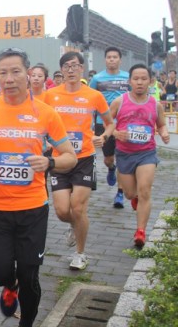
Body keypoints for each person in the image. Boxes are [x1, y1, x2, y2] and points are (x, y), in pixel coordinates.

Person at [0, 48, 77, 327]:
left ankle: (27, 322)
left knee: (30, 274)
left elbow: (70, 156)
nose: (9, 78)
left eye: (15, 71)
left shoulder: (46, 114)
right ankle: (9, 284)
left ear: (27, 74)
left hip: (33, 208)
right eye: (3, 72)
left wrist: (49, 162)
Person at [44, 52, 114, 270]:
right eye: (66, 66)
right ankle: (75, 225)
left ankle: (80, 254)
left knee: (78, 207)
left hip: (84, 157)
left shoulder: (94, 95)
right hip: (59, 159)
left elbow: (110, 123)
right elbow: (41, 121)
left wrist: (103, 136)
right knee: (62, 211)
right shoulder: (50, 95)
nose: (71, 70)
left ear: (82, 68)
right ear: (61, 70)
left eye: (75, 65)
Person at [109, 64, 170, 248]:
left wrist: (164, 133)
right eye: (136, 79)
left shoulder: (155, 104)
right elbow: (107, 123)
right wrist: (116, 133)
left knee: (145, 191)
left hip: (146, 153)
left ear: (150, 81)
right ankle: (134, 198)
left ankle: (141, 231)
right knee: (130, 193)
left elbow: (161, 124)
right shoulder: (119, 102)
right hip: (124, 153)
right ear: (130, 81)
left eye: (144, 79)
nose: (140, 82)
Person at [89, 46, 130, 208]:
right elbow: (90, 100)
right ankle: (111, 168)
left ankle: (120, 193)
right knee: (109, 159)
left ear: (120, 59)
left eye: (115, 57)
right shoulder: (97, 79)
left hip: (124, 123)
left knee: (122, 158)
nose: (112, 59)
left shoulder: (128, 77)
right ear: (105, 60)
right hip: (104, 123)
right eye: (109, 57)